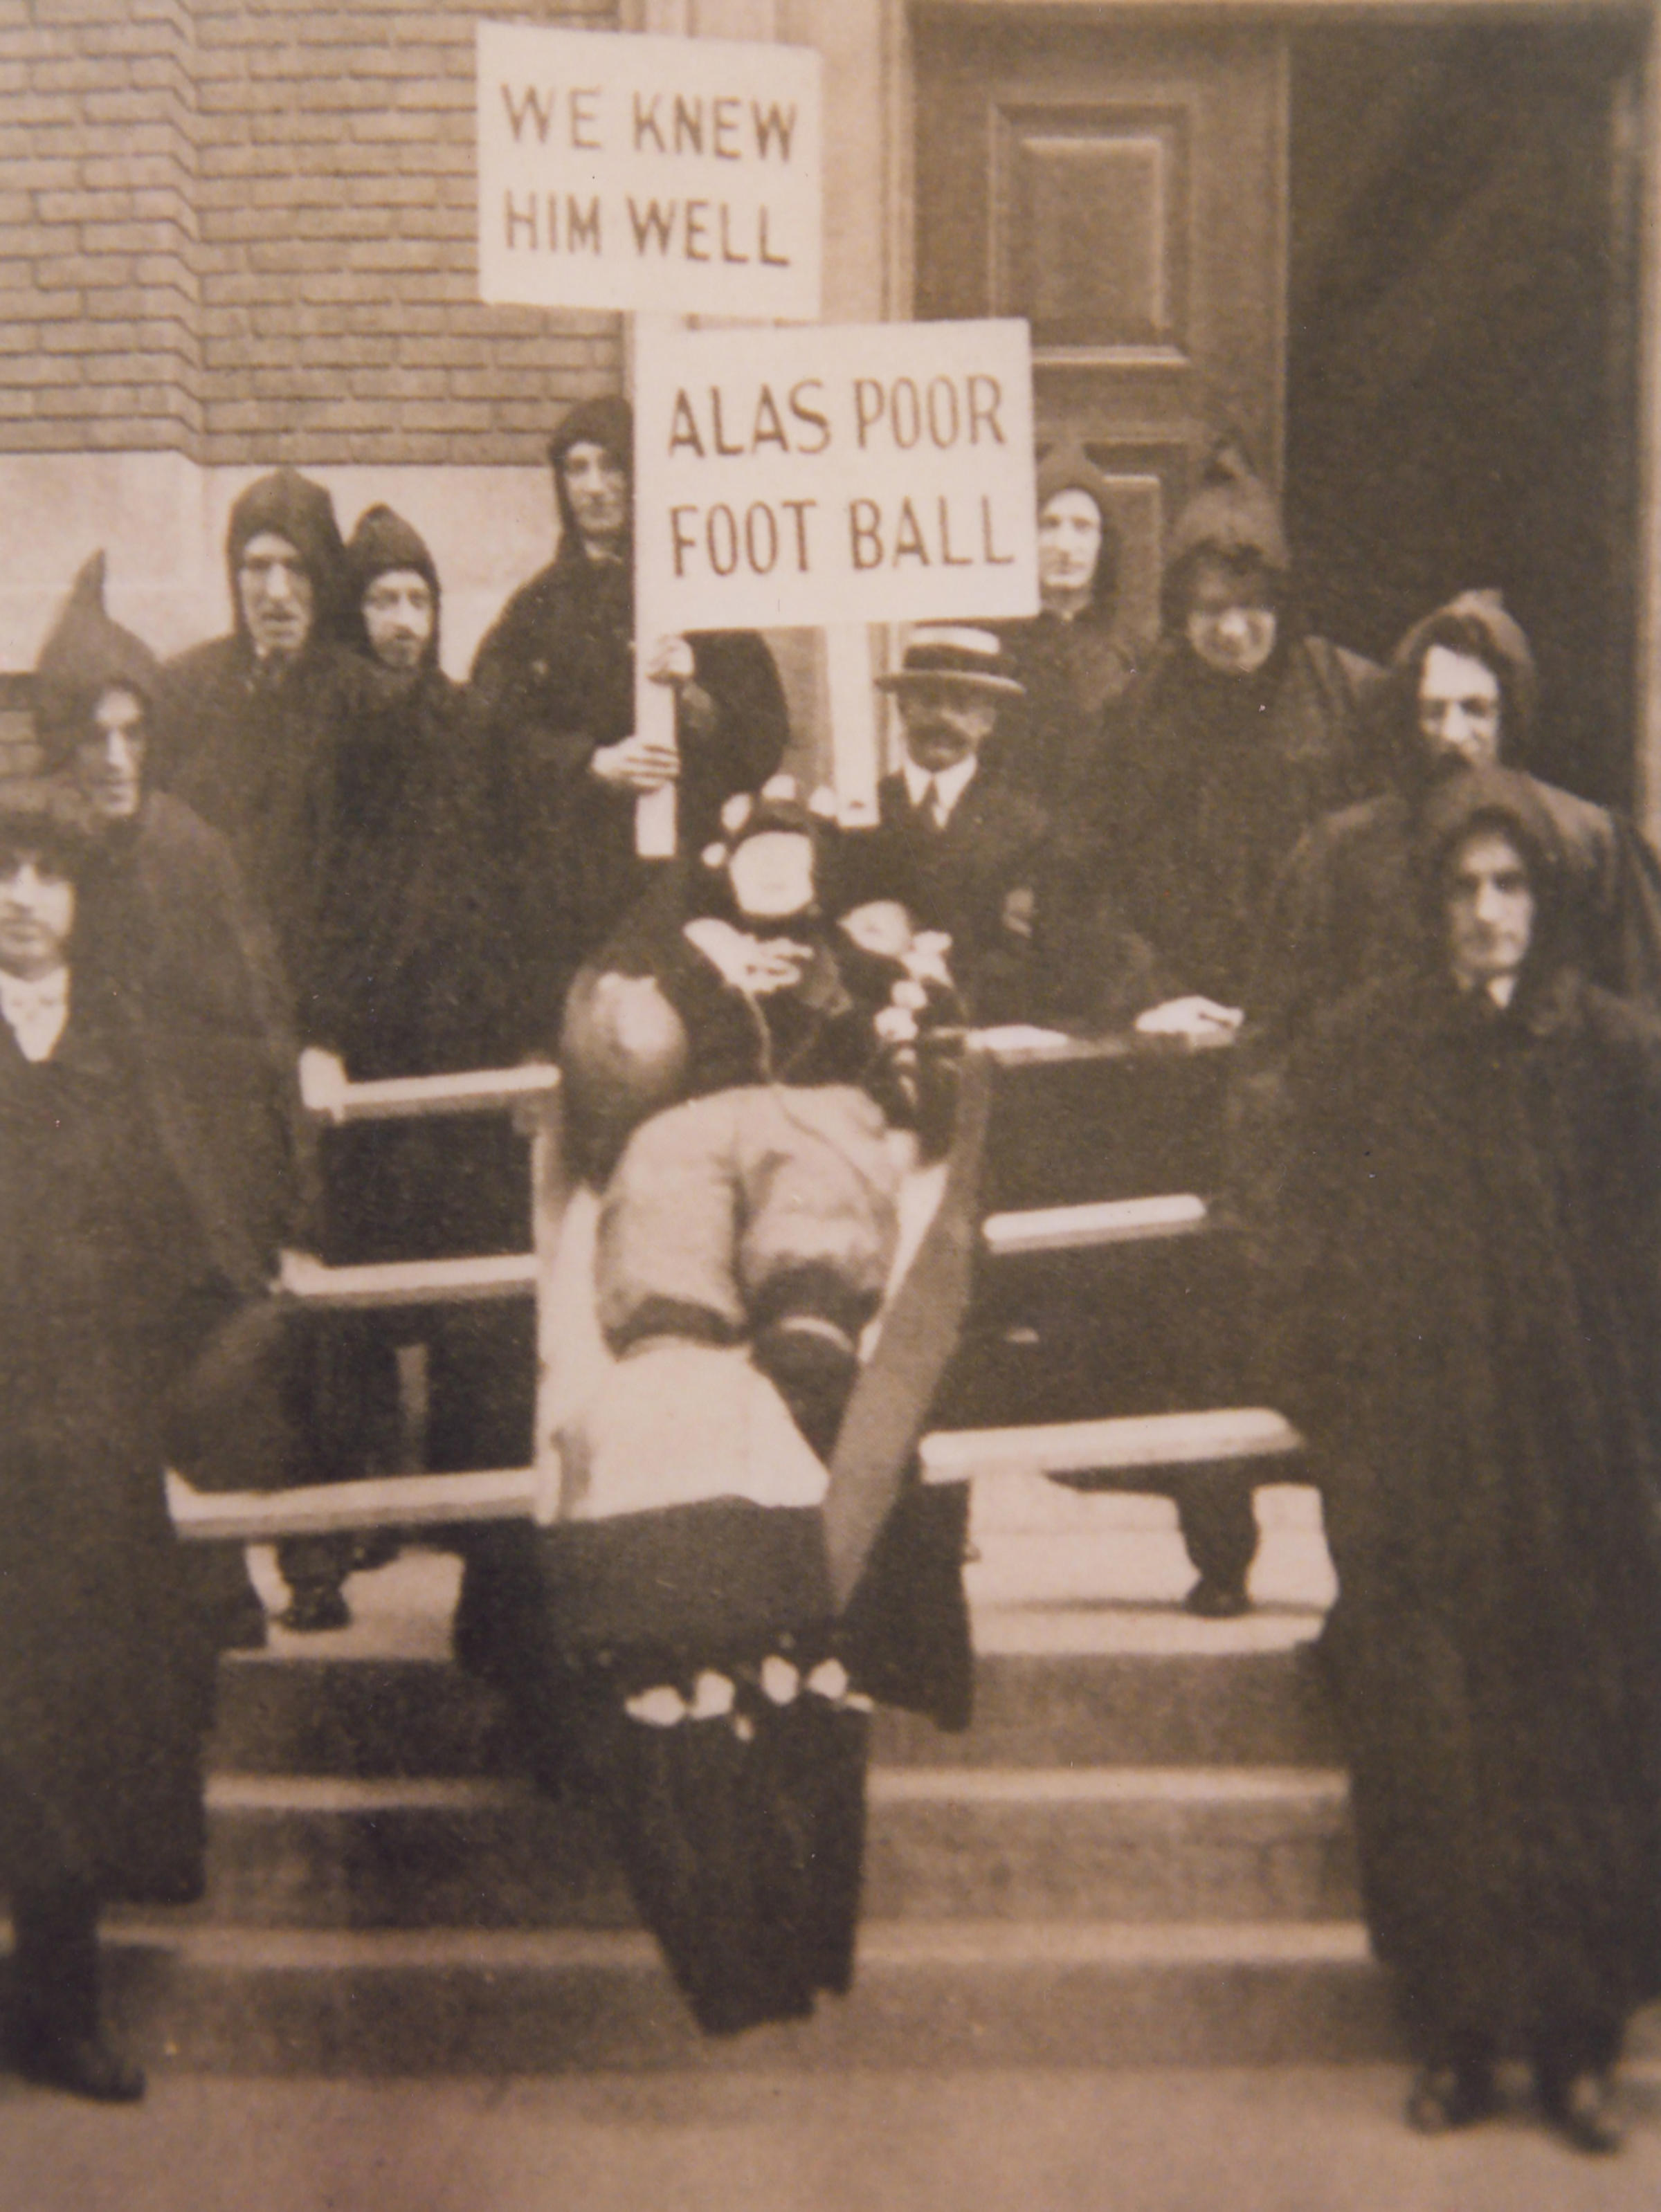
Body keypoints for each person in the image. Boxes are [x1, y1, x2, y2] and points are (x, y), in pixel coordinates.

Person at [1264, 767, 1661, 2155]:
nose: (1487, 912)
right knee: (1433, 1754)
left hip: (1579, 1473)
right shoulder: (1366, 1051)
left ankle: (1577, 2048)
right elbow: (1295, 1247)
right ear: (1428, 900)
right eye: (1463, 885)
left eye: (1512, 886)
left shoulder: (1620, 1056)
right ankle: (1455, 2034)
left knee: (1581, 1743)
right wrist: (1347, 1419)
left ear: (1548, 903)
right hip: (1421, 1473)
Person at [542, 777, 956, 2034]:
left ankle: (808, 1312)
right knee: (665, 1194)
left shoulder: (856, 945)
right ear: (724, 864)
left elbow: (913, 1071)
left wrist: (886, 1003)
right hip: (685, 1119)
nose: (776, 873)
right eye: (755, 852)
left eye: (796, 854)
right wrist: (686, 968)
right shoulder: (678, 941)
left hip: (808, 1111)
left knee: (813, 1172)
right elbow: (609, 1057)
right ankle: (676, 1317)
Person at [0, 801, 232, 2103]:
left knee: (80, 1714)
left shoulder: (124, 1043)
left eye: (48, 876)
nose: (24, 896)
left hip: (89, 1441)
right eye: (4, 874)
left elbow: (182, 1236)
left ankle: (61, 2000)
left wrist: (159, 1411)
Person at [31, 551, 302, 1654]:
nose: (115, 759)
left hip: (186, 1179)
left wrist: (274, 1166)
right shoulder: (36, 855)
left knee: (204, 1383)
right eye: (93, 736)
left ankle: (223, 1585)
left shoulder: (191, 849)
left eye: (134, 734)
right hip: (72, 1188)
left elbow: (256, 1010)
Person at [469, 394, 790, 1046]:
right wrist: (590, 764)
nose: (594, 488)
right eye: (578, 470)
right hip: (576, 884)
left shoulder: (700, 595)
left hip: (686, 875)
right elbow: (489, 735)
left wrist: (694, 688)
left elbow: (763, 739)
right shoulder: (535, 610)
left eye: (612, 468)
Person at [1246, 589, 1661, 1059]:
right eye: (1435, 711)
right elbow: (1273, 1050)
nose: (1453, 734)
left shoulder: (1590, 842)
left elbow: (1645, 1034)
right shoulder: (1341, 851)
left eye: (1476, 710)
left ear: (1511, 712)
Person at [1095, 441, 1384, 1029]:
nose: (1231, 629)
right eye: (1209, 607)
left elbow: (1387, 868)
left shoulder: (1349, 696)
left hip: (1323, 1015)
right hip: (1179, 1019)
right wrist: (1150, 991)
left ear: (1283, 603)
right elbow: (1090, 878)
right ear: (1180, 612)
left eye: (1251, 606)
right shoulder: (1139, 713)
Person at [846, 623, 1161, 1034]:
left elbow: (1037, 951)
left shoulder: (1029, 826)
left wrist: (951, 989)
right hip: (879, 1027)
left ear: (988, 721)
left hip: (988, 1027)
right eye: (928, 701)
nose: (942, 718)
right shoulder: (861, 815)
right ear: (903, 709)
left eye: (961, 705)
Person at [988, 441, 1138, 805]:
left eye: (1083, 527)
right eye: (1049, 525)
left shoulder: (1133, 653)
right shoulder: (997, 649)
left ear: (1104, 542)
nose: (1065, 546)